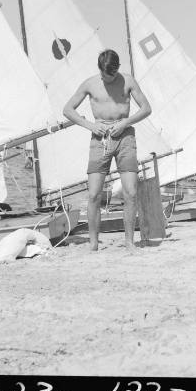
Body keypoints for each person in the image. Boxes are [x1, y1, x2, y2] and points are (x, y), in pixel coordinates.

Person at [63, 49, 152, 253]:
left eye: (109, 75)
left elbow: (146, 108)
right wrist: (90, 125)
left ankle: (129, 242)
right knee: (94, 194)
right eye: (103, 75)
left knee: (130, 192)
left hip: (125, 138)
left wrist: (126, 122)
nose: (106, 78)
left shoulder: (128, 81)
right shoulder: (90, 83)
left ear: (117, 69)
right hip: (99, 139)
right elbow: (68, 109)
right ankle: (93, 244)